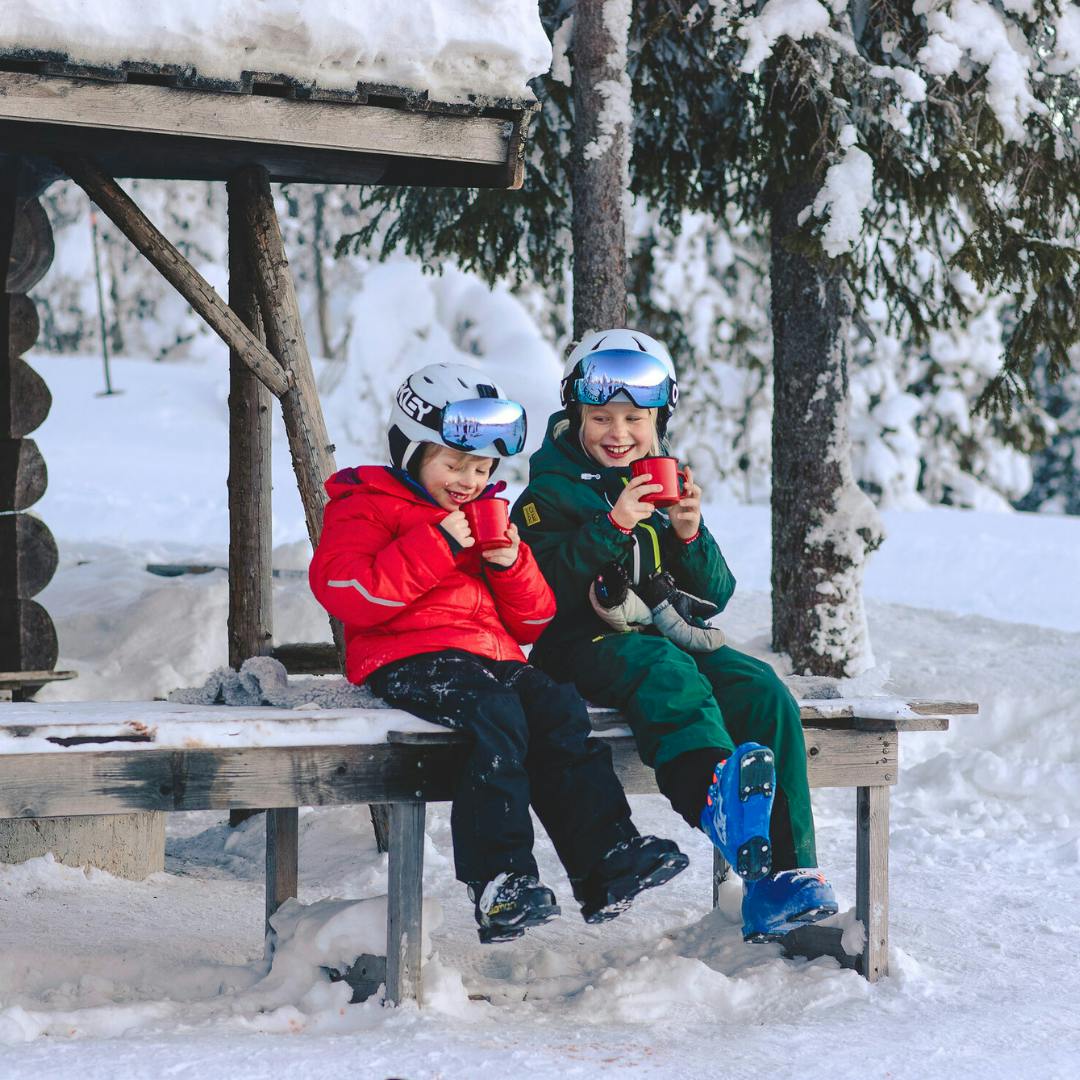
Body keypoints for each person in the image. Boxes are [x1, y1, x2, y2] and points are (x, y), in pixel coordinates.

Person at [309, 361, 688, 944]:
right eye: (453, 463)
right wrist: (436, 543)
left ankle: (606, 861)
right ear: (410, 452)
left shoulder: (489, 517)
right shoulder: (367, 504)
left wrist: (510, 565)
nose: (468, 479)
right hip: (410, 656)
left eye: (482, 468)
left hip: (496, 657)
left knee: (558, 709)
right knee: (496, 716)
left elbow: (534, 619)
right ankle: (499, 881)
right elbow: (350, 592)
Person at [510, 330, 838, 942]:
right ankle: (712, 793)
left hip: (666, 635)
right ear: (574, 414)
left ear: (658, 420)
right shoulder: (543, 496)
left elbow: (713, 597)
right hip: (580, 645)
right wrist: (612, 526)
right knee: (662, 668)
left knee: (760, 686)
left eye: (636, 418)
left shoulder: (661, 486)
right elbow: (538, 591)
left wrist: (689, 533)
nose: (618, 432)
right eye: (601, 417)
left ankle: (786, 878)